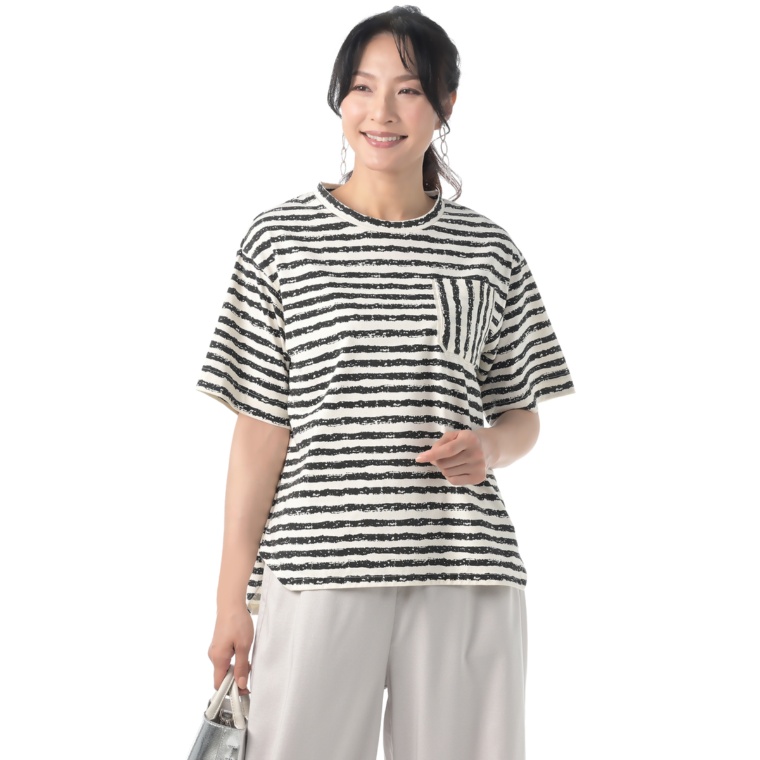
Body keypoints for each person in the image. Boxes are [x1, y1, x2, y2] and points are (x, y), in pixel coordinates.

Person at [195, 6, 575, 759]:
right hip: (317, 562)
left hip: (465, 566)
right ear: (339, 98)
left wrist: (491, 449)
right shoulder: (280, 240)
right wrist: (232, 599)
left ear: (445, 103)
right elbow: (260, 431)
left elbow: (522, 413)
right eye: (362, 88)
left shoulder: (488, 248)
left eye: (408, 90)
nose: (381, 112)